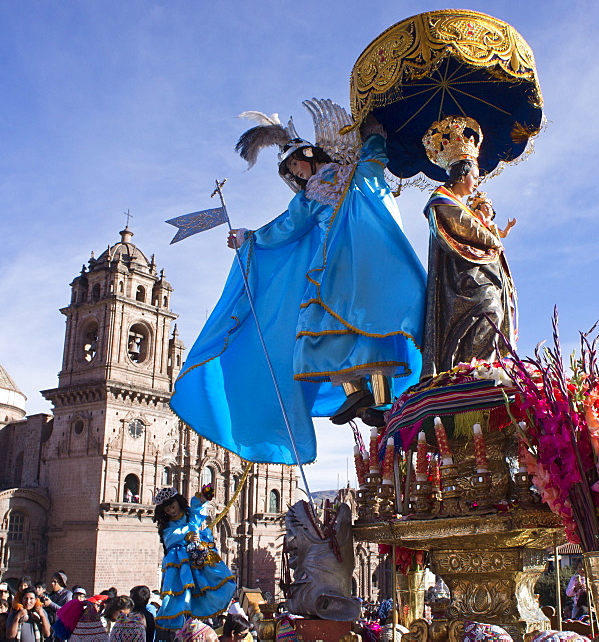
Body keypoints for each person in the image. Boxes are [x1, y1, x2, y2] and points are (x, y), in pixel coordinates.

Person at [171, 102, 426, 463]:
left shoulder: (347, 174)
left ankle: (380, 399)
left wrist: (373, 139)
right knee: (328, 327)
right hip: (331, 268)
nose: (296, 172)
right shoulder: (312, 194)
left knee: (370, 326)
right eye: (291, 169)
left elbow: (370, 170)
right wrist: (252, 239)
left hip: (359, 259)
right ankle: (360, 395)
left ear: (311, 156)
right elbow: (287, 227)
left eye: (296, 163)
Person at [419, 116, 516, 379]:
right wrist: (493, 240)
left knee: (492, 310)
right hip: (460, 280)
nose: (476, 182)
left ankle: (481, 369)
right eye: (475, 176)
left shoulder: (461, 205)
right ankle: (472, 370)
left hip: (476, 273)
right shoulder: (442, 200)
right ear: (463, 173)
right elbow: (462, 228)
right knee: (489, 308)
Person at [152, 486, 236, 631]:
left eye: (173, 507)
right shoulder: (168, 526)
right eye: (168, 510)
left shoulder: (190, 514)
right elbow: (169, 537)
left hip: (199, 551)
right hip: (180, 558)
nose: (172, 511)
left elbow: (198, 509)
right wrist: (186, 535)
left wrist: (204, 497)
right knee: (183, 588)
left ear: (178, 502)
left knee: (210, 576)